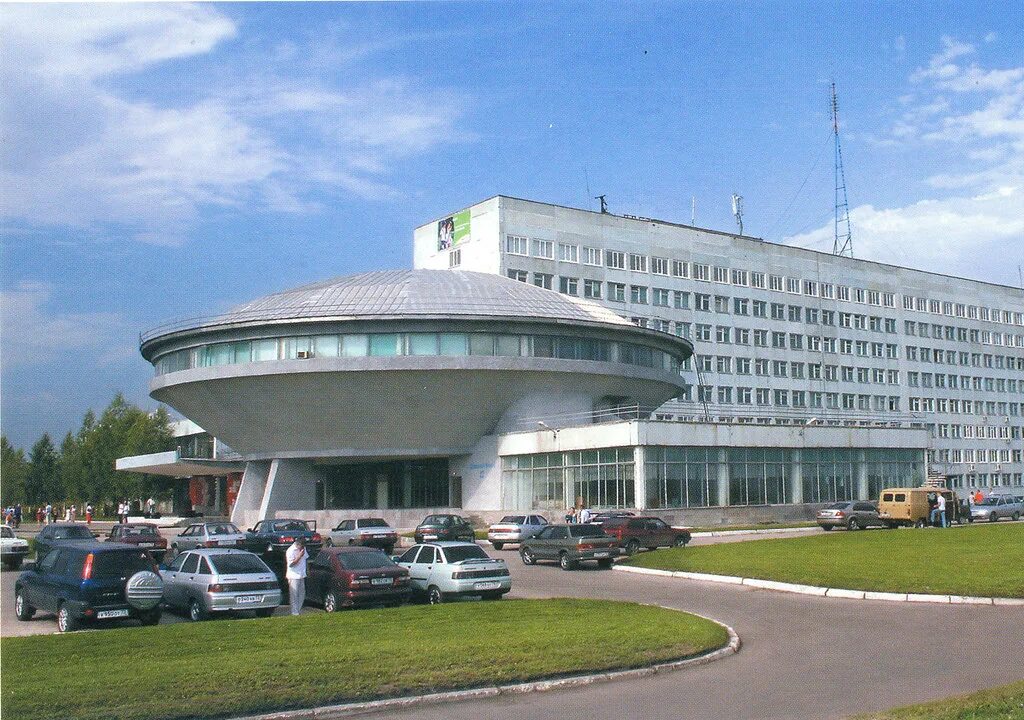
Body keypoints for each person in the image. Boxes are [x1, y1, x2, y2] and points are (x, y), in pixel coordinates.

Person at [285, 536, 307, 616]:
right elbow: (291, 564)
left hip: (301, 574)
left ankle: (298, 610)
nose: (303, 547)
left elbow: (305, 559)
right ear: (297, 544)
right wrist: (299, 556)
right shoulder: (290, 551)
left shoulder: (303, 549)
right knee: (294, 594)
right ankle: (294, 612)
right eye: (302, 545)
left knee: (302, 593)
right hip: (293, 575)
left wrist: (307, 571)